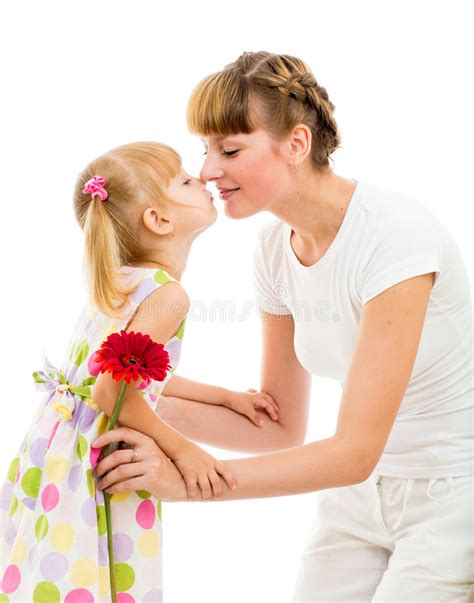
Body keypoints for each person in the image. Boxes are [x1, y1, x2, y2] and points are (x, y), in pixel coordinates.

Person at [91, 53, 474, 601]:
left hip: (451, 496)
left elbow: (353, 450)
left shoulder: (396, 237)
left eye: (230, 149)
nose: (206, 171)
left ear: (296, 144)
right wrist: (129, 407)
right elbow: (278, 426)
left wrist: (193, 482)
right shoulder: (275, 251)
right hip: (356, 498)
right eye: (205, 149)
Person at [0, 141, 279, 602]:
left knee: (50, 571)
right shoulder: (167, 297)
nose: (204, 180)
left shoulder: (118, 282)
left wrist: (225, 396)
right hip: (97, 465)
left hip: (55, 455)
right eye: (187, 181)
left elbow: (131, 378)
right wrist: (185, 452)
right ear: (159, 220)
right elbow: (114, 395)